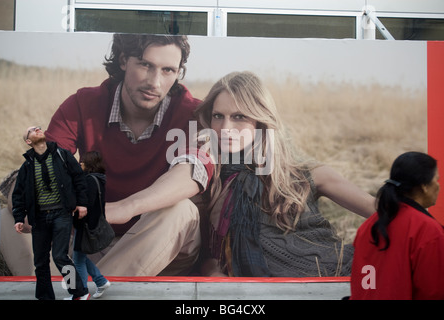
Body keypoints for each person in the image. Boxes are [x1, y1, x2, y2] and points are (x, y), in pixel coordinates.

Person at [44, 33, 213, 276]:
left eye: (168, 70)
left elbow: (192, 172)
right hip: (89, 240)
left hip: (159, 246)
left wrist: (126, 207)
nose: (155, 82)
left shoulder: (195, 114)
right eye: (146, 65)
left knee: (182, 211)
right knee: (13, 215)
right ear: (123, 60)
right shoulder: (83, 104)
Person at [193, 71, 376, 277]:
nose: (225, 128)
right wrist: (213, 273)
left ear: (261, 120)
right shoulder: (208, 176)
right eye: (218, 116)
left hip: (336, 277)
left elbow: (385, 212)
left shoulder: (303, 172)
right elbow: (206, 252)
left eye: (239, 117)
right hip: (260, 294)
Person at [350, 151, 444, 300]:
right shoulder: (428, 230)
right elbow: (433, 293)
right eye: (436, 180)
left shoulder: (368, 226)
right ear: (424, 186)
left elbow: (361, 287)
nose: (438, 186)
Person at [12, 126, 90, 300]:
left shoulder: (62, 155)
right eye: (32, 130)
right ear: (28, 141)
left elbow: (79, 179)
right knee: (40, 261)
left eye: (38, 127)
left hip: (61, 214)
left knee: (60, 256)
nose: (37, 129)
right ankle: (45, 297)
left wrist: (82, 203)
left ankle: (79, 293)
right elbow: (19, 194)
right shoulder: (27, 166)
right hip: (39, 218)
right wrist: (18, 218)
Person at [73, 151, 111, 299]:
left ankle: (82, 293)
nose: (79, 164)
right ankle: (100, 281)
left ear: (89, 164)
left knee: (78, 260)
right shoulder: (99, 179)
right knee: (80, 258)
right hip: (90, 225)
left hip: (85, 226)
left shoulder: (89, 180)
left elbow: (85, 204)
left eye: (82, 162)